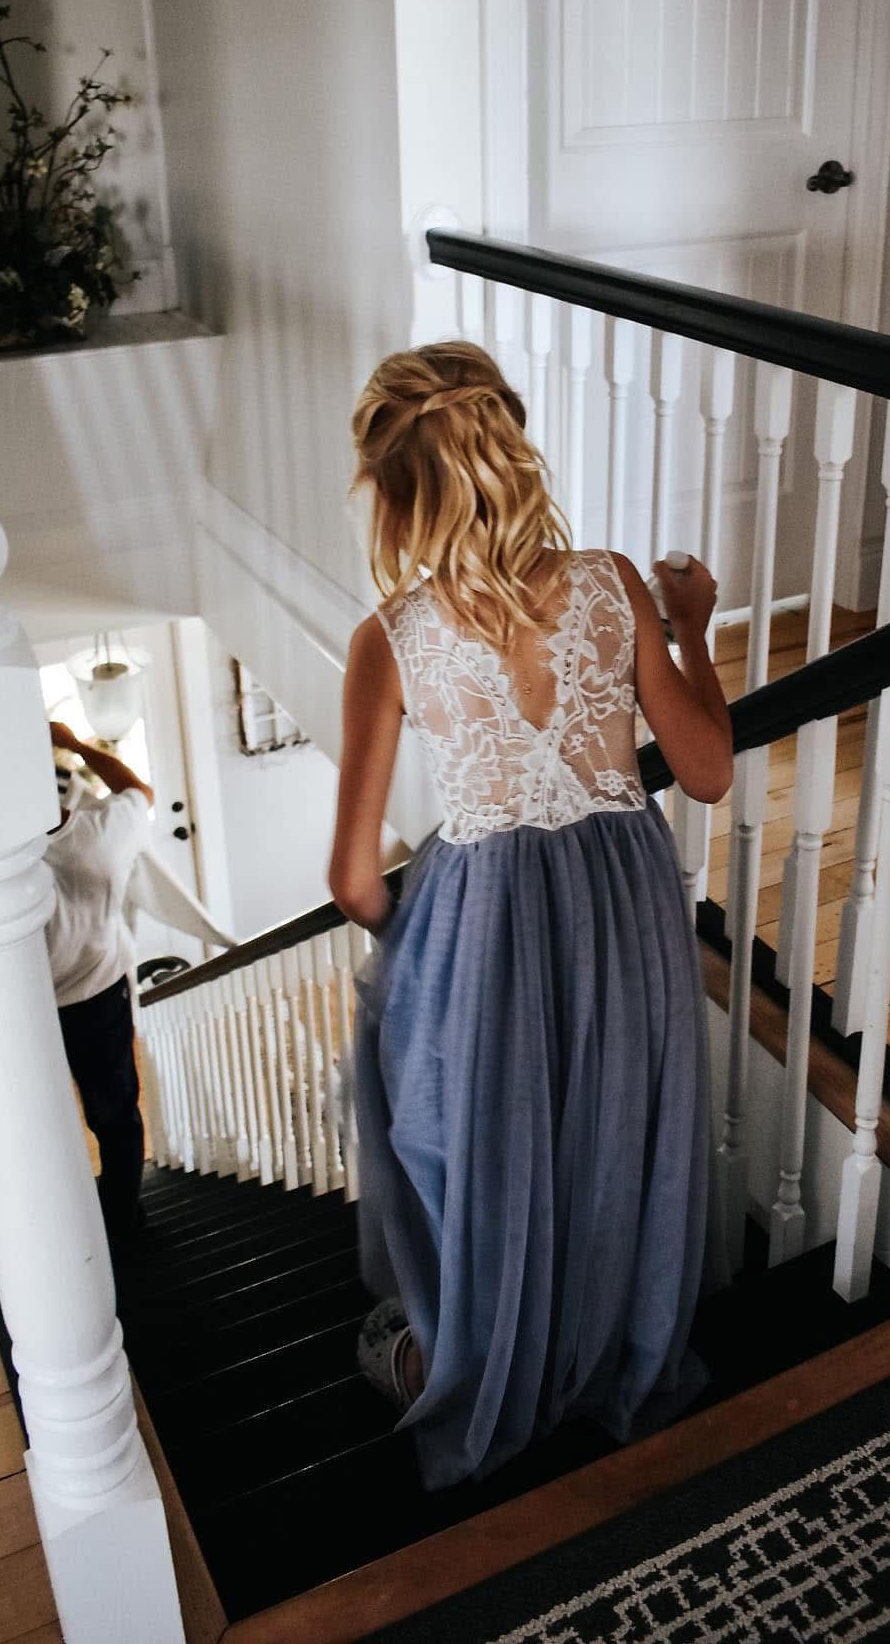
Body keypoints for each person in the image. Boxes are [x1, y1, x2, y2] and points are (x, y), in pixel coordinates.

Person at [329, 340, 733, 1491]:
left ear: (395, 494)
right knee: (616, 1134)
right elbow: (702, 769)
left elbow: (354, 881)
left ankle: (480, 1358)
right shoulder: (610, 583)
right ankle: (620, 1357)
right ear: (510, 448)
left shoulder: (391, 640)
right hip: (627, 911)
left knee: (490, 1147)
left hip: (487, 915)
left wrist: (430, 947)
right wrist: (694, 628)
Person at [45, 719, 154, 1255]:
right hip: (98, 998)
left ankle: (62, 1224)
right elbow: (139, 789)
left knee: (43, 1120)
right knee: (116, 1118)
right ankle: (123, 1226)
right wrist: (74, 742)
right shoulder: (103, 833)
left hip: (28, 1008)